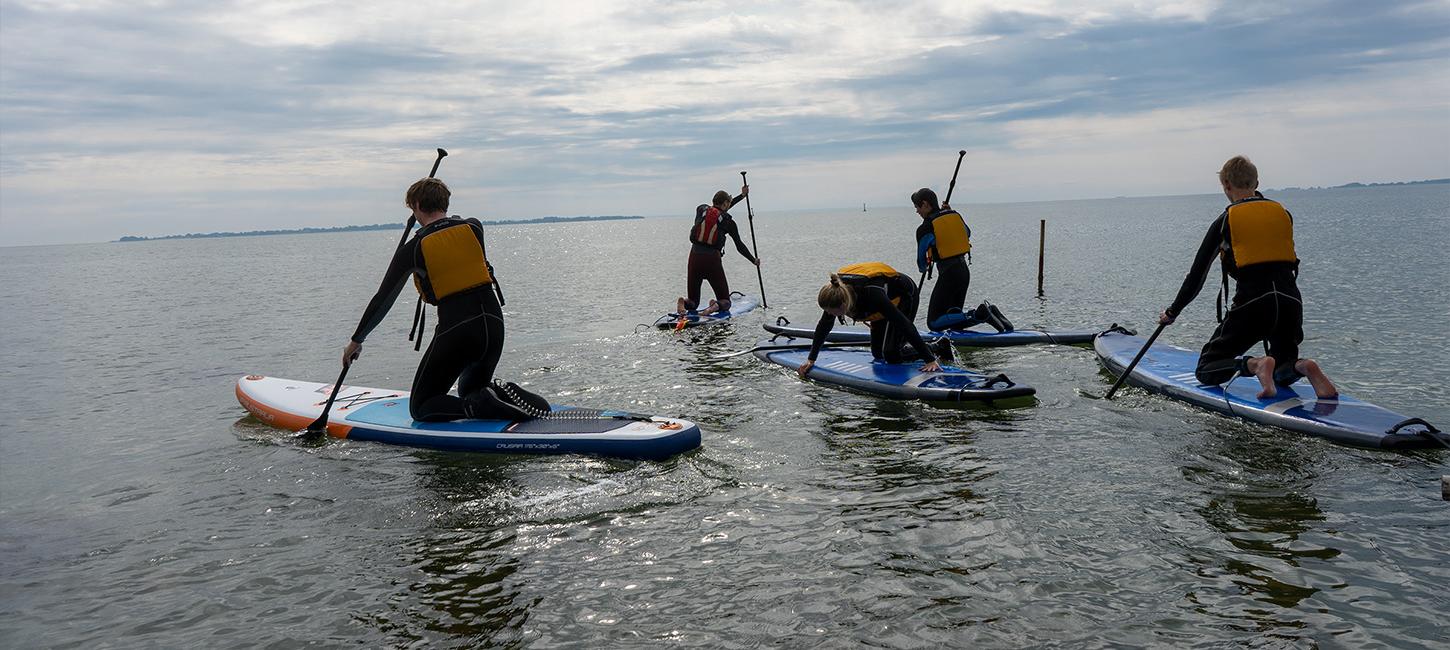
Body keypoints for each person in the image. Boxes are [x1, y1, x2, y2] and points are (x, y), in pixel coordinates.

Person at [341, 177, 549, 422]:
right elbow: (454, 233)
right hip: (493, 325)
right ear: (445, 202)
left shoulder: (414, 249)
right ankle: (502, 394)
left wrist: (357, 340)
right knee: (470, 391)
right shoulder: (474, 228)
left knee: (421, 406)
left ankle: (479, 405)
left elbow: (383, 300)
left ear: (417, 205)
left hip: (459, 328)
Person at [1159, 155, 1337, 400]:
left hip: (1254, 303)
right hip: (1290, 302)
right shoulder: (1282, 213)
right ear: (1256, 182)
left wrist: (1172, 312)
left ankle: (1255, 365)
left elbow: (1196, 277)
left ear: (1226, 186)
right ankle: (1303, 366)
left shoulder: (1224, 222)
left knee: (1206, 368)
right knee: (1283, 364)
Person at [797, 262, 950, 378]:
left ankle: (938, 348)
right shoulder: (835, 295)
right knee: (878, 353)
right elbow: (824, 327)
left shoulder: (872, 295)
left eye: (834, 313)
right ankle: (925, 349)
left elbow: (904, 324)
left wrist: (928, 359)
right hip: (879, 304)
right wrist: (811, 359)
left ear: (845, 304)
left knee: (891, 354)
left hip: (903, 296)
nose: (832, 315)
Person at [912, 188, 1012, 333]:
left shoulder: (925, 228)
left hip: (949, 275)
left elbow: (921, 261)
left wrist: (923, 268)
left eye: (917, 207)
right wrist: (949, 214)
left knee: (933, 323)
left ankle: (979, 314)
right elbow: (967, 233)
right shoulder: (954, 215)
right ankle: (990, 311)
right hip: (963, 272)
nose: (917, 211)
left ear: (926, 204)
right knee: (955, 322)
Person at [674, 185, 761, 323]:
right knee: (725, 301)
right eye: (728, 203)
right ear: (726, 204)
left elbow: (716, 213)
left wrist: (741, 196)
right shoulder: (729, 223)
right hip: (712, 262)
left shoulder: (701, 209)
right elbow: (739, 246)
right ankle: (714, 306)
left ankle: (682, 302)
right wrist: (753, 260)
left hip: (694, 258)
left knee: (693, 302)